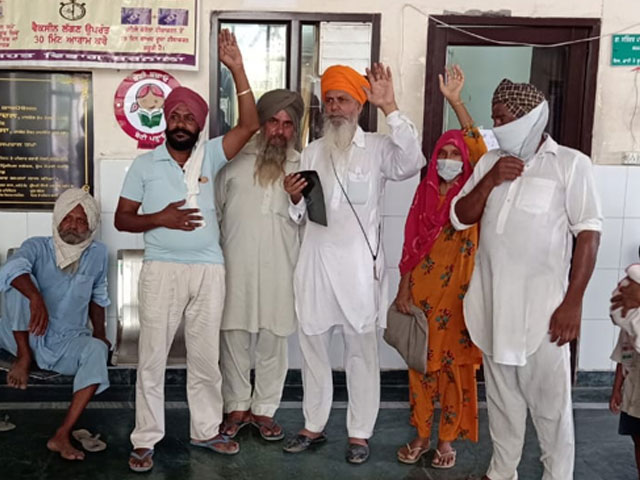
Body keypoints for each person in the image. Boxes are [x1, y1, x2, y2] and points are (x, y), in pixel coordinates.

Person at [114, 29, 259, 472]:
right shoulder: (145, 164)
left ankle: (206, 430)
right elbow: (122, 219)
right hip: (162, 269)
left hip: (209, 270)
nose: (180, 121)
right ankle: (145, 439)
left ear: (199, 125)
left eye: (188, 117)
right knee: (152, 358)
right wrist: (161, 217)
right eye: (174, 115)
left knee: (204, 358)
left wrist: (236, 68)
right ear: (164, 122)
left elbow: (249, 126)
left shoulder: (210, 155)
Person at [451, 78, 602, 480]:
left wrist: (573, 303)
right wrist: (491, 179)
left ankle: (558, 476)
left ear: (530, 117)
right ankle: (502, 472)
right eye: (494, 117)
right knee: (503, 404)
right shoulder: (490, 162)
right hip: (492, 308)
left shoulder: (570, 164)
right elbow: (460, 216)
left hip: (544, 316)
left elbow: (589, 233)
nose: (496, 125)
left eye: (503, 117)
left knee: (551, 411)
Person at [282, 63, 426, 464]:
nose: (334, 107)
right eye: (329, 100)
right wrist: (293, 199)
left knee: (361, 353)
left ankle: (360, 433)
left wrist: (391, 106)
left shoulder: (378, 148)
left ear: (359, 105)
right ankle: (313, 425)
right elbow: (301, 215)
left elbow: (412, 161)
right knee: (313, 349)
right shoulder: (312, 151)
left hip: (359, 271)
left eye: (342, 99)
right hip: (315, 264)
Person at [394, 65, 485, 468]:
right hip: (424, 298)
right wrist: (404, 288)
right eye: (443, 154)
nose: (449, 160)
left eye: (455, 155)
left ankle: (446, 442)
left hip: (462, 300)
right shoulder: (424, 194)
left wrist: (456, 102)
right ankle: (420, 435)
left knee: (455, 372)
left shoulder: (473, 193)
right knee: (421, 369)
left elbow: (480, 151)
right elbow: (409, 246)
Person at [215, 89, 304, 442]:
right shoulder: (233, 160)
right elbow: (215, 211)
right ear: (261, 124)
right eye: (273, 122)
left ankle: (265, 408)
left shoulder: (302, 165)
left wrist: (297, 198)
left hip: (281, 267)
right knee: (233, 335)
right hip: (234, 265)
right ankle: (237, 406)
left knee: (274, 338)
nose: (279, 131)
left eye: (288, 124)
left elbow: (311, 221)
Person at [0, 188, 110, 461]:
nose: (73, 225)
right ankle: (24, 358)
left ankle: (62, 434)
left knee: (97, 349)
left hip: (67, 341)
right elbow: (10, 270)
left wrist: (100, 334)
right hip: (24, 336)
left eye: (81, 220)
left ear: (92, 225)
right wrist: (35, 297)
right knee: (18, 282)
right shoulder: (36, 246)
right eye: (67, 218)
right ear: (57, 219)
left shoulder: (98, 254)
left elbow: (98, 296)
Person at [610, 263, 640, 479]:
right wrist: (616, 390)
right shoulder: (629, 327)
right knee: (637, 438)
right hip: (634, 393)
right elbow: (623, 357)